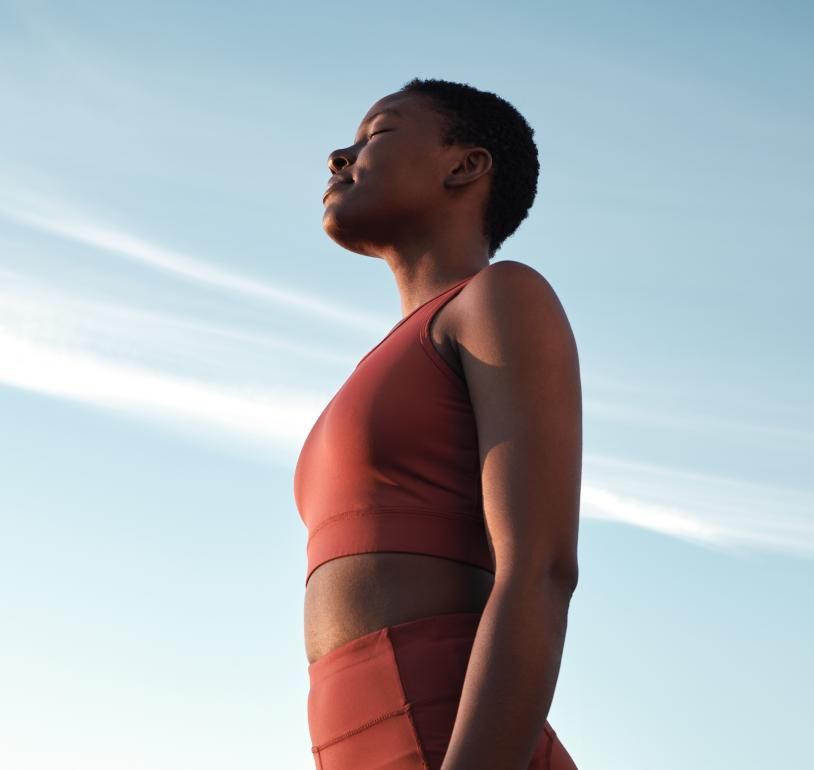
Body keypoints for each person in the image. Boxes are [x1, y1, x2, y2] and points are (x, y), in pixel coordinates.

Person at [294, 77, 582, 770]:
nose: (341, 155)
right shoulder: (382, 361)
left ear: (465, 164)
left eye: (378, 133)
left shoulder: (500, 298)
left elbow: (541, 569)